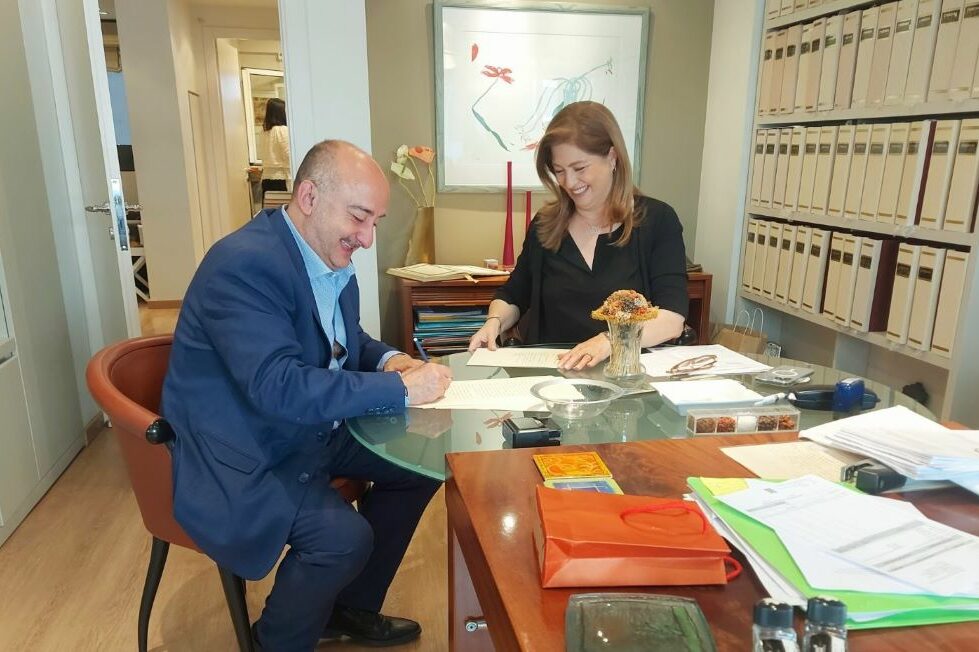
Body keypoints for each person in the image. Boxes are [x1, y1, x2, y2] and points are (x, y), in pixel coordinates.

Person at [162, 140, 452, 651]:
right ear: (310, 196)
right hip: (248, 445)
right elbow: (278, 385)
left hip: (308, 426)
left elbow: (345, 339)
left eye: (376, 221)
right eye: (359, 217)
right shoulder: (244, 265)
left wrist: (389, 360)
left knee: (421, 465)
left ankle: (346, 610)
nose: (367, 238)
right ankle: (275, 642)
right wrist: (400, 389)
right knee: (343, 539)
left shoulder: (326, 255)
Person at [468, 101, 689, 370]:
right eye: (559, 171)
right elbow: (513, 295)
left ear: (612, 157)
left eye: (580, 168)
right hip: (554, 378)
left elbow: (672, 318)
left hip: (627, 380)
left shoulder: (658, 220)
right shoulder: (545, 225)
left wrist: (609, 341)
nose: (570, 183)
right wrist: (494, 322)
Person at [260, 97, 291, 199]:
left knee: (271, 208)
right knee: (284, 208)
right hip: (281, 179)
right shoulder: (283, 130)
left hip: (266, 179)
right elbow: (289, 155)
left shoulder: (264, 132)